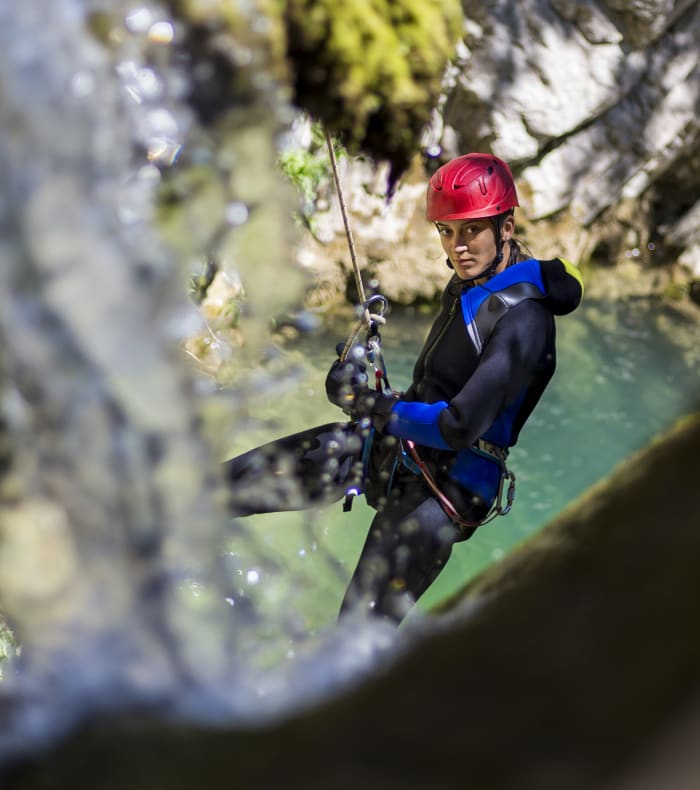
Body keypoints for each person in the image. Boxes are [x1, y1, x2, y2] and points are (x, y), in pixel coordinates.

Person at [224, 153, 583, 625]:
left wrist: (368, 404)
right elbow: (432, 390)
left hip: (443, 495)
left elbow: (458, 425)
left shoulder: (525, 320)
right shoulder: (470, 283)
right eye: (447, 231)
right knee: (226, 487)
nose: (457, 246)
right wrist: (364, 386)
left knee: (353, 639)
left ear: (506, 226)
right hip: (399, 449)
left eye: (471, 229)